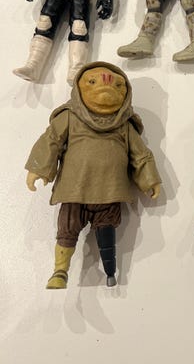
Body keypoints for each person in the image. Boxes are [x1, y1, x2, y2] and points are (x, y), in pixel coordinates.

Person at [26, 62, 161, 288]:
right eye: (92, 81)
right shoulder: (70, 116)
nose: (105, 87)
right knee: (67, 231)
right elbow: (51, 140)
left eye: (117, 85)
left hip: (110, 192)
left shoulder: (124, 125)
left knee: (107, 233)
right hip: (74, 190)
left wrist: (150, 179)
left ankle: (110, 272)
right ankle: (60, 271)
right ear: (79, 88)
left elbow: (140, 155)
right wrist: (38, 168)